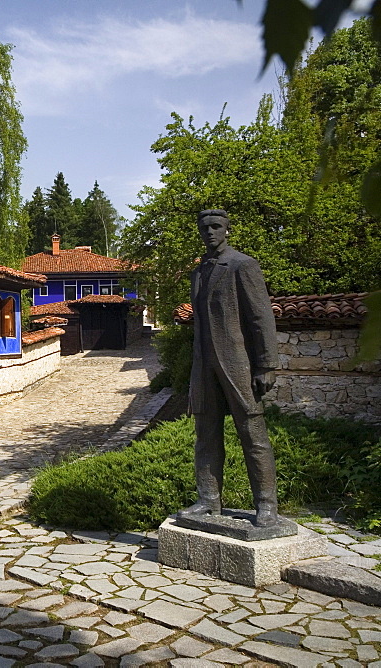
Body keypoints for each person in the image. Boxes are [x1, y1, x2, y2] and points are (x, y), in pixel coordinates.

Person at [178, 209, 281, 528]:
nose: (210, 231)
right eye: (204, 227)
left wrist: (266, 364)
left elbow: (260, 317)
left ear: (226, 230)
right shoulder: (198, 272)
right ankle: (209, 500)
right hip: (204, 366)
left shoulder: (242, 265)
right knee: (206, 436)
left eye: (216, 226)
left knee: (253, 435)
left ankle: (266, 504)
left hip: (238, 365)